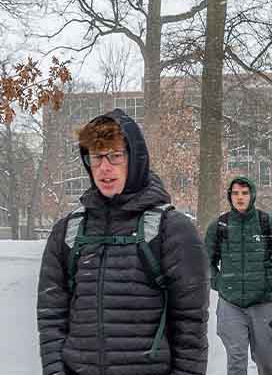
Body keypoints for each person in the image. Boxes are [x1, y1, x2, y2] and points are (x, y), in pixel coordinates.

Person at [37, 109, 210, 375]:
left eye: (115, 155)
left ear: (136, 158)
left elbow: (191, 327)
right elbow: (51, 315)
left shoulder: (172, 229)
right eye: (96, 157)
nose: (105, 167)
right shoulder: (68, 231)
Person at [205, 176, 272, 375]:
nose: (240, 197)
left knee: (266, 361)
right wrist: (219, 282)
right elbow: (205, 261)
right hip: (231, 304)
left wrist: (268, 283)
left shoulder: (266, 223)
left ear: (252, 195)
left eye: (244, 193)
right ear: (230, 196)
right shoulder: (220, 226)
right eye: (235, 193)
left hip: (263, 305)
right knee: (236, 362)